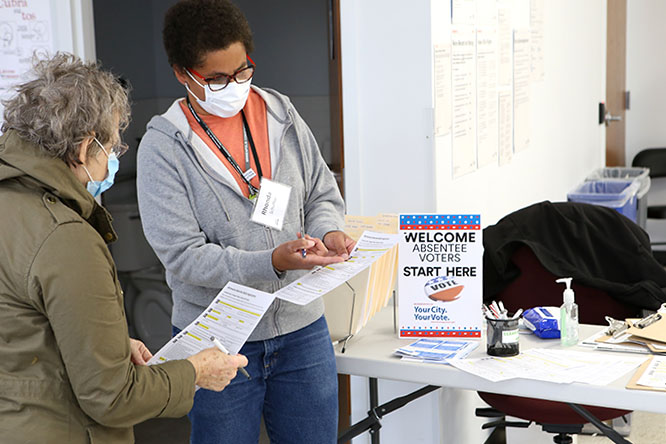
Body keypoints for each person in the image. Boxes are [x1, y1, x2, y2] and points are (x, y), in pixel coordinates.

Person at [136, 0, 355, 442]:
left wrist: (329, 230)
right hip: (217, 342)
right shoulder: (164, 148)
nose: (234, 86)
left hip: (302, 330)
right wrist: (270, 261)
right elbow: (185, 257)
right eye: (217, 79)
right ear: (183, 74)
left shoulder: (281, 114)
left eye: (242, 71)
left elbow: (320, 192)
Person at [0, 53, 247, 444]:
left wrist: (105, 344)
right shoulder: (66, 238)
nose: (112, 162)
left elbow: (21, 327)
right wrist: (194, 373)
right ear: (83, 150)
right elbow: (112, 397)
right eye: (112, 147)